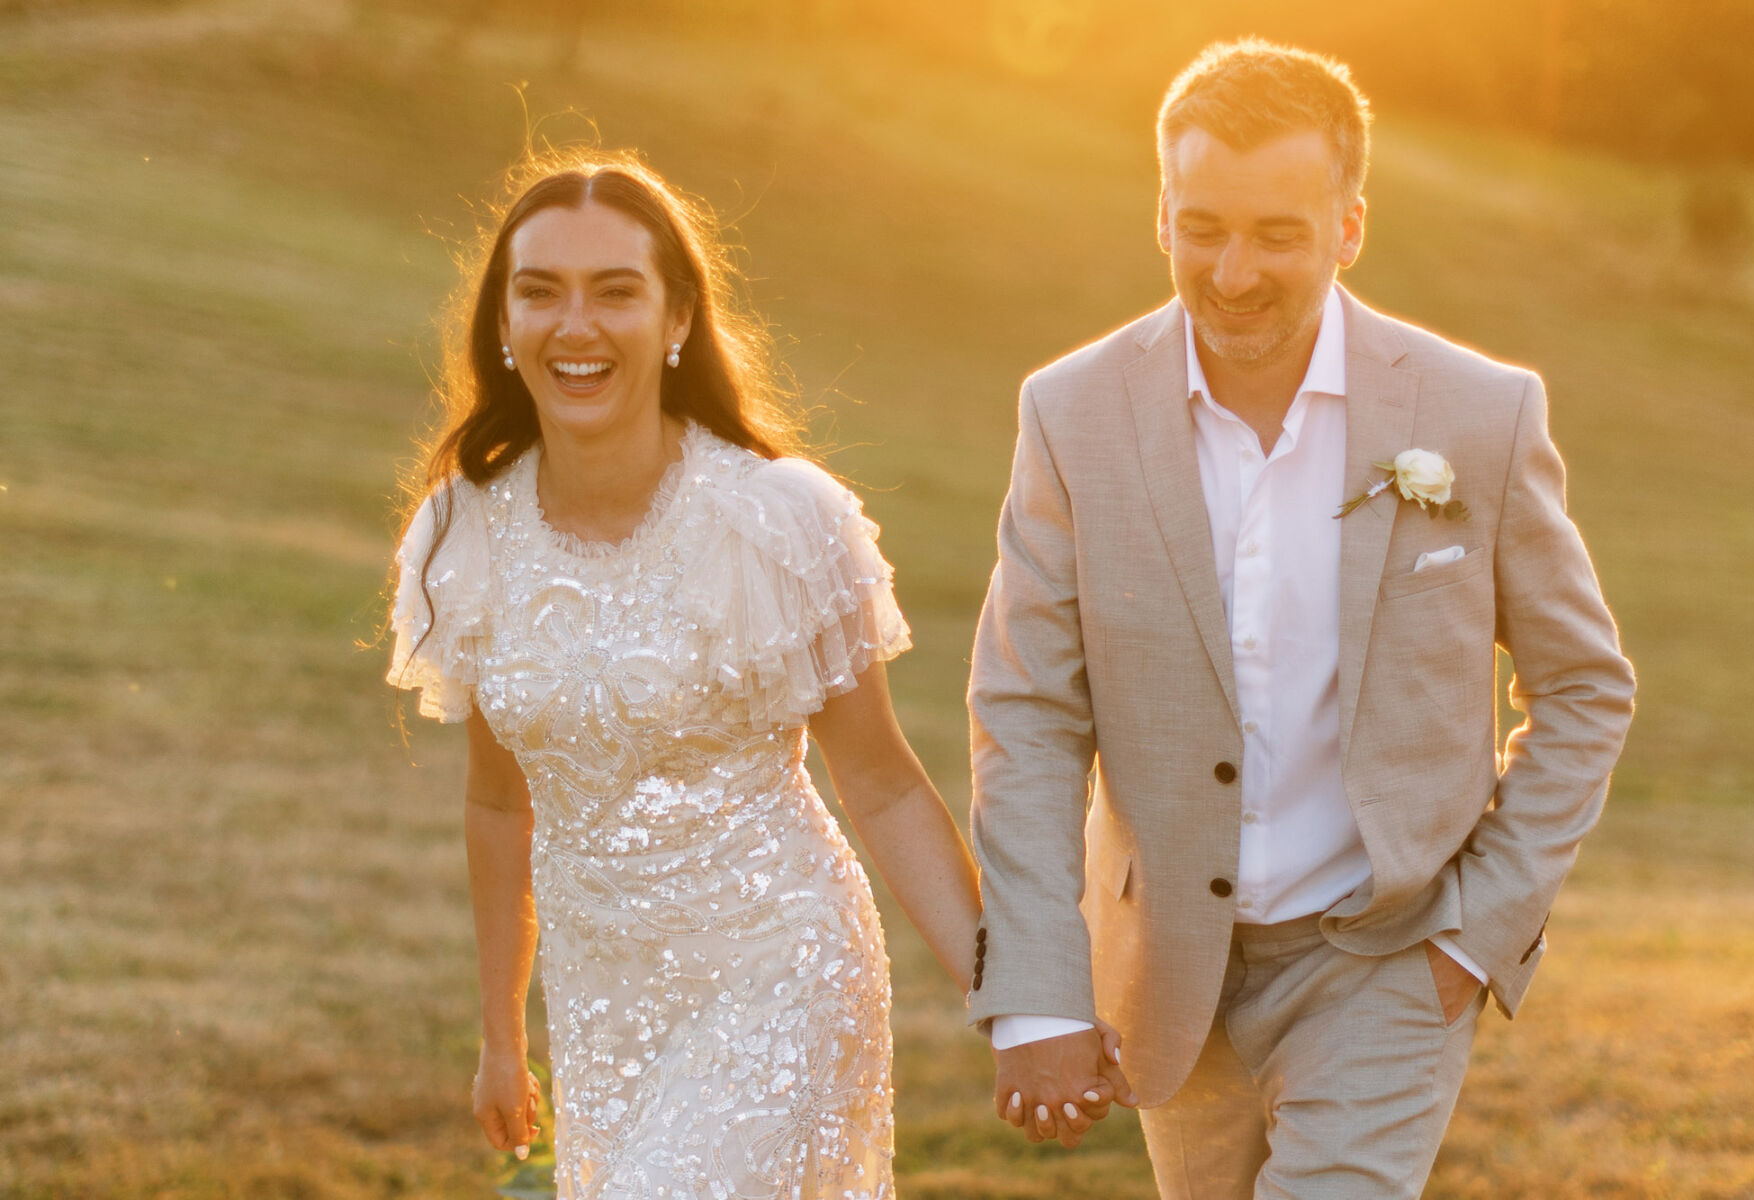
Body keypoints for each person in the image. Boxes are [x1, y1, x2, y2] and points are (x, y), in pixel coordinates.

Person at [966, 38, 1636, 1197]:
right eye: (1203, 226)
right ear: (1161, 218)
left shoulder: (1477, 413)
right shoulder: (1071, 415)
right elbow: (1025, 712)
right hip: (1170, 972)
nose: (1232, 272)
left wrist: (1473, 936)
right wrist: (1037, 991)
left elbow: (1584, 687)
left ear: (1349, 227)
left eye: (1278, 233)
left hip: (1387, 960)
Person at [385, 152, 1121, 1198]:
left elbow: (882, 784)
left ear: (678, 316)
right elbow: (499, 807)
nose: (574, 325)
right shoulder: (462, 530)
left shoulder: (776, 519)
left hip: (780, 974)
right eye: (539, 290)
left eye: (616, 291)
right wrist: (504, 1038)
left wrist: (1018, 1007)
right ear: (502, 322)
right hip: (606, 1012)